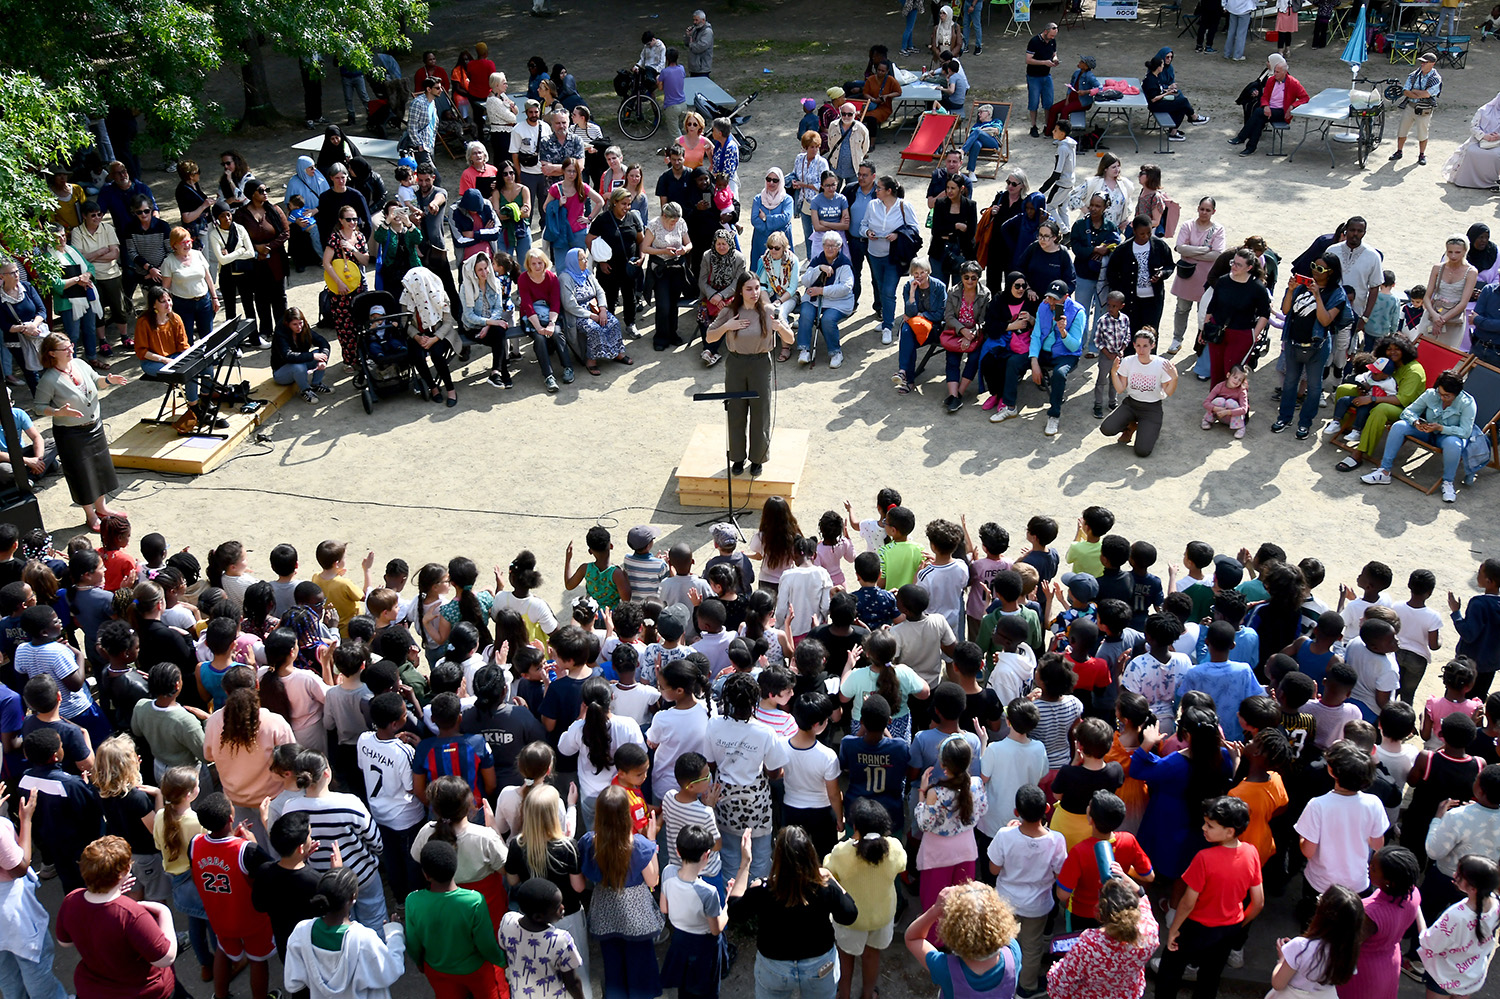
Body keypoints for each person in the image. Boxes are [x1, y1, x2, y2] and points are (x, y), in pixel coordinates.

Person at [55, 835, 181, 999]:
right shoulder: (131, 914)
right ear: (125, 870)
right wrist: (164, 913)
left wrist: (113, 892)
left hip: (94, 991)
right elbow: (165, 958)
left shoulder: (71, 899)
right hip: (142, 992)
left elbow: (65, 942)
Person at [32, 332, 128, 530]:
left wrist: (109, 380)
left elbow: (97, 381)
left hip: (94, 427)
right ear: (52, 353)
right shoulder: (49, 379)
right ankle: (90, 515)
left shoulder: (80, 364)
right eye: (65, 348)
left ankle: (102, 508)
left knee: (100, 469)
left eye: (71, 346)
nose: (71, 350)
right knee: (82, 475)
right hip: (71, 434)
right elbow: (38, 407)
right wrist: (57, 412)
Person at [705, 273, 795, 476]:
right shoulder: (729, 311)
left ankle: (758, 458)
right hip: (736, 364)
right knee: (736, 411)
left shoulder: (770, 310)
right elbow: (710, 337)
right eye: (749, 289)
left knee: (760, 412)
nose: (754, 293)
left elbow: (790, 338)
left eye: (756, 288)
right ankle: (737, 457)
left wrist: (780, 328)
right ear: (740, 291)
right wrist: (727, 327)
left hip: (760, 364)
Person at [1361, 370, 1477, 503]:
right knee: (1399, 426)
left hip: (1447, 436)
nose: (1442, 398)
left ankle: (1448, 482)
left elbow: (1465, 432)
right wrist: (1415, 422)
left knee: (1454, 445)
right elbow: (1408, 412)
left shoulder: (1467, 403)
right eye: (1440, 394)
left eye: (1447, 396)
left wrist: (1441, 428)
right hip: (1426, 431)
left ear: (1456, 394)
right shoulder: (1431, 394)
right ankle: (1384, 471)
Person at [1274, 252, 1349, 438]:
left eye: (1321, 269)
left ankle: (1305, 423)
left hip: (1317, 347)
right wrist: (1290, 290)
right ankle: (1284, 418)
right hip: (1293, 342)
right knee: (1290, 382)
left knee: (1314, 387)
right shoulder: (1303, 286)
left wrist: (1317, 296)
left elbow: (1325, 321)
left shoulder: (1337, 293)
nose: (1315, 271)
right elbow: (1286, 310)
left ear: (1331, 272)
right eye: (1314, 266)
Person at [1046, 877, 1159, 999]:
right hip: (1128, 994)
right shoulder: (1149, 931)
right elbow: (1142, 896)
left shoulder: (1090, 944)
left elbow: (1060, 980)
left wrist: (1055, 969)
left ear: (1100, 914)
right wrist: (1123, 875)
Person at [1101, 328, 1178, 457]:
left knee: (1142, 451)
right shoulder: (1128, 361)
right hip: (1131, 404)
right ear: (1134, 345)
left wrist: (1174, 378)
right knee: (1106, 429)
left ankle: (1146, 429)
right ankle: (1130, 426)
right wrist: (1113, 372)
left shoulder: (1162, 364)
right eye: (1138, 346)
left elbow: (1168, 392)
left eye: (1145, 346)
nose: (1141, 350)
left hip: (1152, 408)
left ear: (1152, 346)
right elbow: (1120, 389)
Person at [1203, 246, 1271, 389]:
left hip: (1241, 335)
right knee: (1216, 372)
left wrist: (1254, 335)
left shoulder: (1257, 288)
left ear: (1249, 267)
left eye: (1238, 265)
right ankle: (1215, 401)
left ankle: (1235, 402)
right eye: (1233, 262)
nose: (1233, 266)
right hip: (1218, 332)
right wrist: (1205, 327)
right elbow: (1212, 305)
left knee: (1233, 374)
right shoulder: (1223, 281)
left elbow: (1265, 314)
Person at [234, 180, 290, 349]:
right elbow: (237, 237)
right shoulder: (241, 215)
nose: (265, 193)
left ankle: (281, 329)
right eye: (261, 190)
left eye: (267, 190)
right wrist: (255, 248)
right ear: (252, 194)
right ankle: (265, 329)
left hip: (276, 259)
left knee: (279, 296)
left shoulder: (275, 210)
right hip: (255, 262)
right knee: (261, 296)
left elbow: (285, 232)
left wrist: (269, 247)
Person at [865, 176, 919, 346]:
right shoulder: (872, 205)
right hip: (874, 254)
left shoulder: (904, 206)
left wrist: (897, 235)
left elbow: (914, 229)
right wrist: (867, 232)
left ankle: (888, 326)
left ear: (889, 191)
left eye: (879, 188)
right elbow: (863, 225)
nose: (876, 190)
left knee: (888, 291)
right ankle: (886, 319)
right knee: (881, 287)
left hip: (894, 256)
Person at [560, 248, 629, 373]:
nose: (586, 261)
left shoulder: (587, 273)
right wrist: (591, 315)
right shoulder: (565, 278)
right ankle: (591, 360)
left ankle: (617, 353)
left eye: (586, 258)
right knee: (594, 329)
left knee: (613, 322)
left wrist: (602, 309)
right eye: (582, 259)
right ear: (573, 261)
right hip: (579, 314)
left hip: (595, 308)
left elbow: (600, 291)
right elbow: (569, 305)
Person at [1105, 217, 1175, 336]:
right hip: (1131, 301)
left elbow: (1170, 265)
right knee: (1131, 333)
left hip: (1153, 300)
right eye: (1142, 234)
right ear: (1134, 231)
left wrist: (1162, 274)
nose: (1146, 236)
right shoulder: (1123, 250)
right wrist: (1121, 292)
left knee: (1150, 333)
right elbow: (1112, 274)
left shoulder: (1159, 245)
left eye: (1149, 233)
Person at [1229, 54, 1308, 155]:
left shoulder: (1293, 83)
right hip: (1269, 110)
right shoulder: (1271, 80)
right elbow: (1265, 97)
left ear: (1285, 72)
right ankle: (1250, 148)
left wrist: (1293, 106)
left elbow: (1305, 97)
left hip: (1282, 112)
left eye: (1277, 72)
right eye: (1274, 71)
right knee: (1259, 120)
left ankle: (1241, 137)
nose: (1275, 74)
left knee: (1258, 112)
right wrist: (1266, 106)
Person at [940, 262, 989, 412]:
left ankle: (958, 394)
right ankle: (953, 395)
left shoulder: (985, 294)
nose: (970, 281)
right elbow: (949, 316)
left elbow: (984, 320)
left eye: (974, 278)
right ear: (961, 277)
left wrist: (971, 334)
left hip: (976, 334)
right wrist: (962, 331)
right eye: (966, 277)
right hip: (955, 332)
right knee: (952, 359)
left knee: (974, 359)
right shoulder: (953, 291)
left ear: (978, 278)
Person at [894, 259, 948, 395]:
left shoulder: (939, 287)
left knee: (908, 335)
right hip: (915, 326)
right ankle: (905, 374)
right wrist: (912, 294)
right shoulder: (908, 286)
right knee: (907, 332)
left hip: (934, 329)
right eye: (916, 273)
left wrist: (921, 315)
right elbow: (909, 313)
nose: (919, 276)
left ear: (928, 271)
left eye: (922, 272)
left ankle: (906, 377)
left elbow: (941, 314)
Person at [644, 202, 693, 352]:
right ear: (664, 216)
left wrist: (684, 249)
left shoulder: (681, 223)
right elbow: (645, 248)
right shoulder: (654, 225)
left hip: (676, 268)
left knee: (673, 304)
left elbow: (689, 243)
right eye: (672, 221)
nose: (674, 224)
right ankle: (660, 337)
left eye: (676, 221)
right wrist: (663, 251)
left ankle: (672, 333)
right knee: (663, 305)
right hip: (660, 269)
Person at [1414, 235, 1480, 347]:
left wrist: (1442, 320)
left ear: (1465, 251)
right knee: (1422, 347)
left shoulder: (1471, 272)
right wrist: (1435, 316)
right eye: (1450, 252)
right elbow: (1427, 297)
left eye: (1457, 252)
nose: (1453, 256)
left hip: (1454, 319)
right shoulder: (1437, 268)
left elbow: (1463, 302)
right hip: (1433, 314)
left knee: (1445, 352)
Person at [1441, 90, 1500, 189]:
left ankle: (1492, 180)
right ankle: (1468, 181)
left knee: (1496, 154)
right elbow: (1473, 127)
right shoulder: (1484, 110)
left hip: (1498, 143)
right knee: (1471, 151)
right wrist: (1484, 136)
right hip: (1479, 140)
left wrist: (1498, 136)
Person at [1142, 56, 1210, 142]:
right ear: (1158, 67)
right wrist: (1167, 93)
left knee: (1182, 105)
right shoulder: (1151, 80)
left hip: (1158, 102)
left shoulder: (1154, 76)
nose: (1163, 66)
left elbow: (1158, 89)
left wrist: (1168, 89)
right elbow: (1153, 98)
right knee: (1183, 102)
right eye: (1162, 65)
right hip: (1156, 105)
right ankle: (1194, 117)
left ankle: (1173, 132)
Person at [272, 307, 331, 403]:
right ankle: (305, 390)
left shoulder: (305, 328)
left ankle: (316, 384)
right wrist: (312, 356)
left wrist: (322, 359)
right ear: (287, 324)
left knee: (319, 354)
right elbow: (288, 356)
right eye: (294, 324)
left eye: (300, 323)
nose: (299, 327)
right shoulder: (280, 335)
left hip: (301, 364)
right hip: (282, 372)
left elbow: (323, 343)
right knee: (299, 366)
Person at [1391, 53, 1442, 165]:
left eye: (1425, 62)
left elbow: (1427, 94)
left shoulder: (1436, 78)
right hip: (1410, 106)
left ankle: (1422, 154)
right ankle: (1399, 151)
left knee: (1422, 133)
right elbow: (1405, 91)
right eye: (1421, 62)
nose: (1422, 64)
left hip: (1424, 109)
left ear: (1432, 64)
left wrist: (1414, 92)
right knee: (1402, 130)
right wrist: (1419, 94)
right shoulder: (1414, 75)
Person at [749, 169, 795, 273]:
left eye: (775, 180)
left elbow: (785, 218)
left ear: (781, 181)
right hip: (761, 240)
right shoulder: (758, 199)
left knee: (783, 271)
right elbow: (755, 220)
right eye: (768, 179)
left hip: (781, 241)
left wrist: (766, 218)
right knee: (760, 270)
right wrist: (772, 230)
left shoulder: (787, 200)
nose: (771, 183)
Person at [1047, 56, 1099, 134]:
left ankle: (1063, 134)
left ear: (1086, 66)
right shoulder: (1077, 73)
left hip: (1082, 102)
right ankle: (1049, 131)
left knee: (1065, 110)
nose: (1079, 62)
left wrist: (1086, 92)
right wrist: (1067, 99)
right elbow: (1070, 86)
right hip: (1072, 99)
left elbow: (1099, 88)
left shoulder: (1089, 76)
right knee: (1053, 108)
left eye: (1082, 62)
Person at [1025, 24, 1060, 136]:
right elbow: (1028, 60)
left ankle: (1047, 126)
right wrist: (1044, 62)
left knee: (1048, 102)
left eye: (1054, 36)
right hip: (1033, 76)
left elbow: (1054, 53)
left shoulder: (1052, 41)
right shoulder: (1034, 41)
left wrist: (1055, 59)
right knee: (1033, 102)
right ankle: (1033, 126)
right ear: (1045, 31)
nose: (1052, 38)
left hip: (1046, 75)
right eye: (1051, 35)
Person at [686, 10, 715, 77]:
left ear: (703, 20)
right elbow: (686, 43)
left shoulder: (707, 32)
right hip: (693, 67)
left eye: (696, 20)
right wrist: (688, 35)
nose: (694, 22)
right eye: (694, 20)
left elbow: (699, 47)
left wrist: (690, 44)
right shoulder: (694, 29)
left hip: (702, 68)